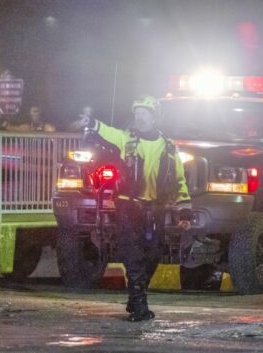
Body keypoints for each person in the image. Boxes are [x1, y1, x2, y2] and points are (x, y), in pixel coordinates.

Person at [81, 95, 191, 322]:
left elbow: (180, 181)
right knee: (132, 255)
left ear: (155, 117)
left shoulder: (169, 147)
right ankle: (140, 305)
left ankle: (135, 295)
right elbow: (108, 131)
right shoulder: (127, 140)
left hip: (156, 210)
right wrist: (92, 123)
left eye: (144, 113)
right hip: (128, 207)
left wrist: (184, 211)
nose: (139, 117)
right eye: (137, 113)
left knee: (152, 255)